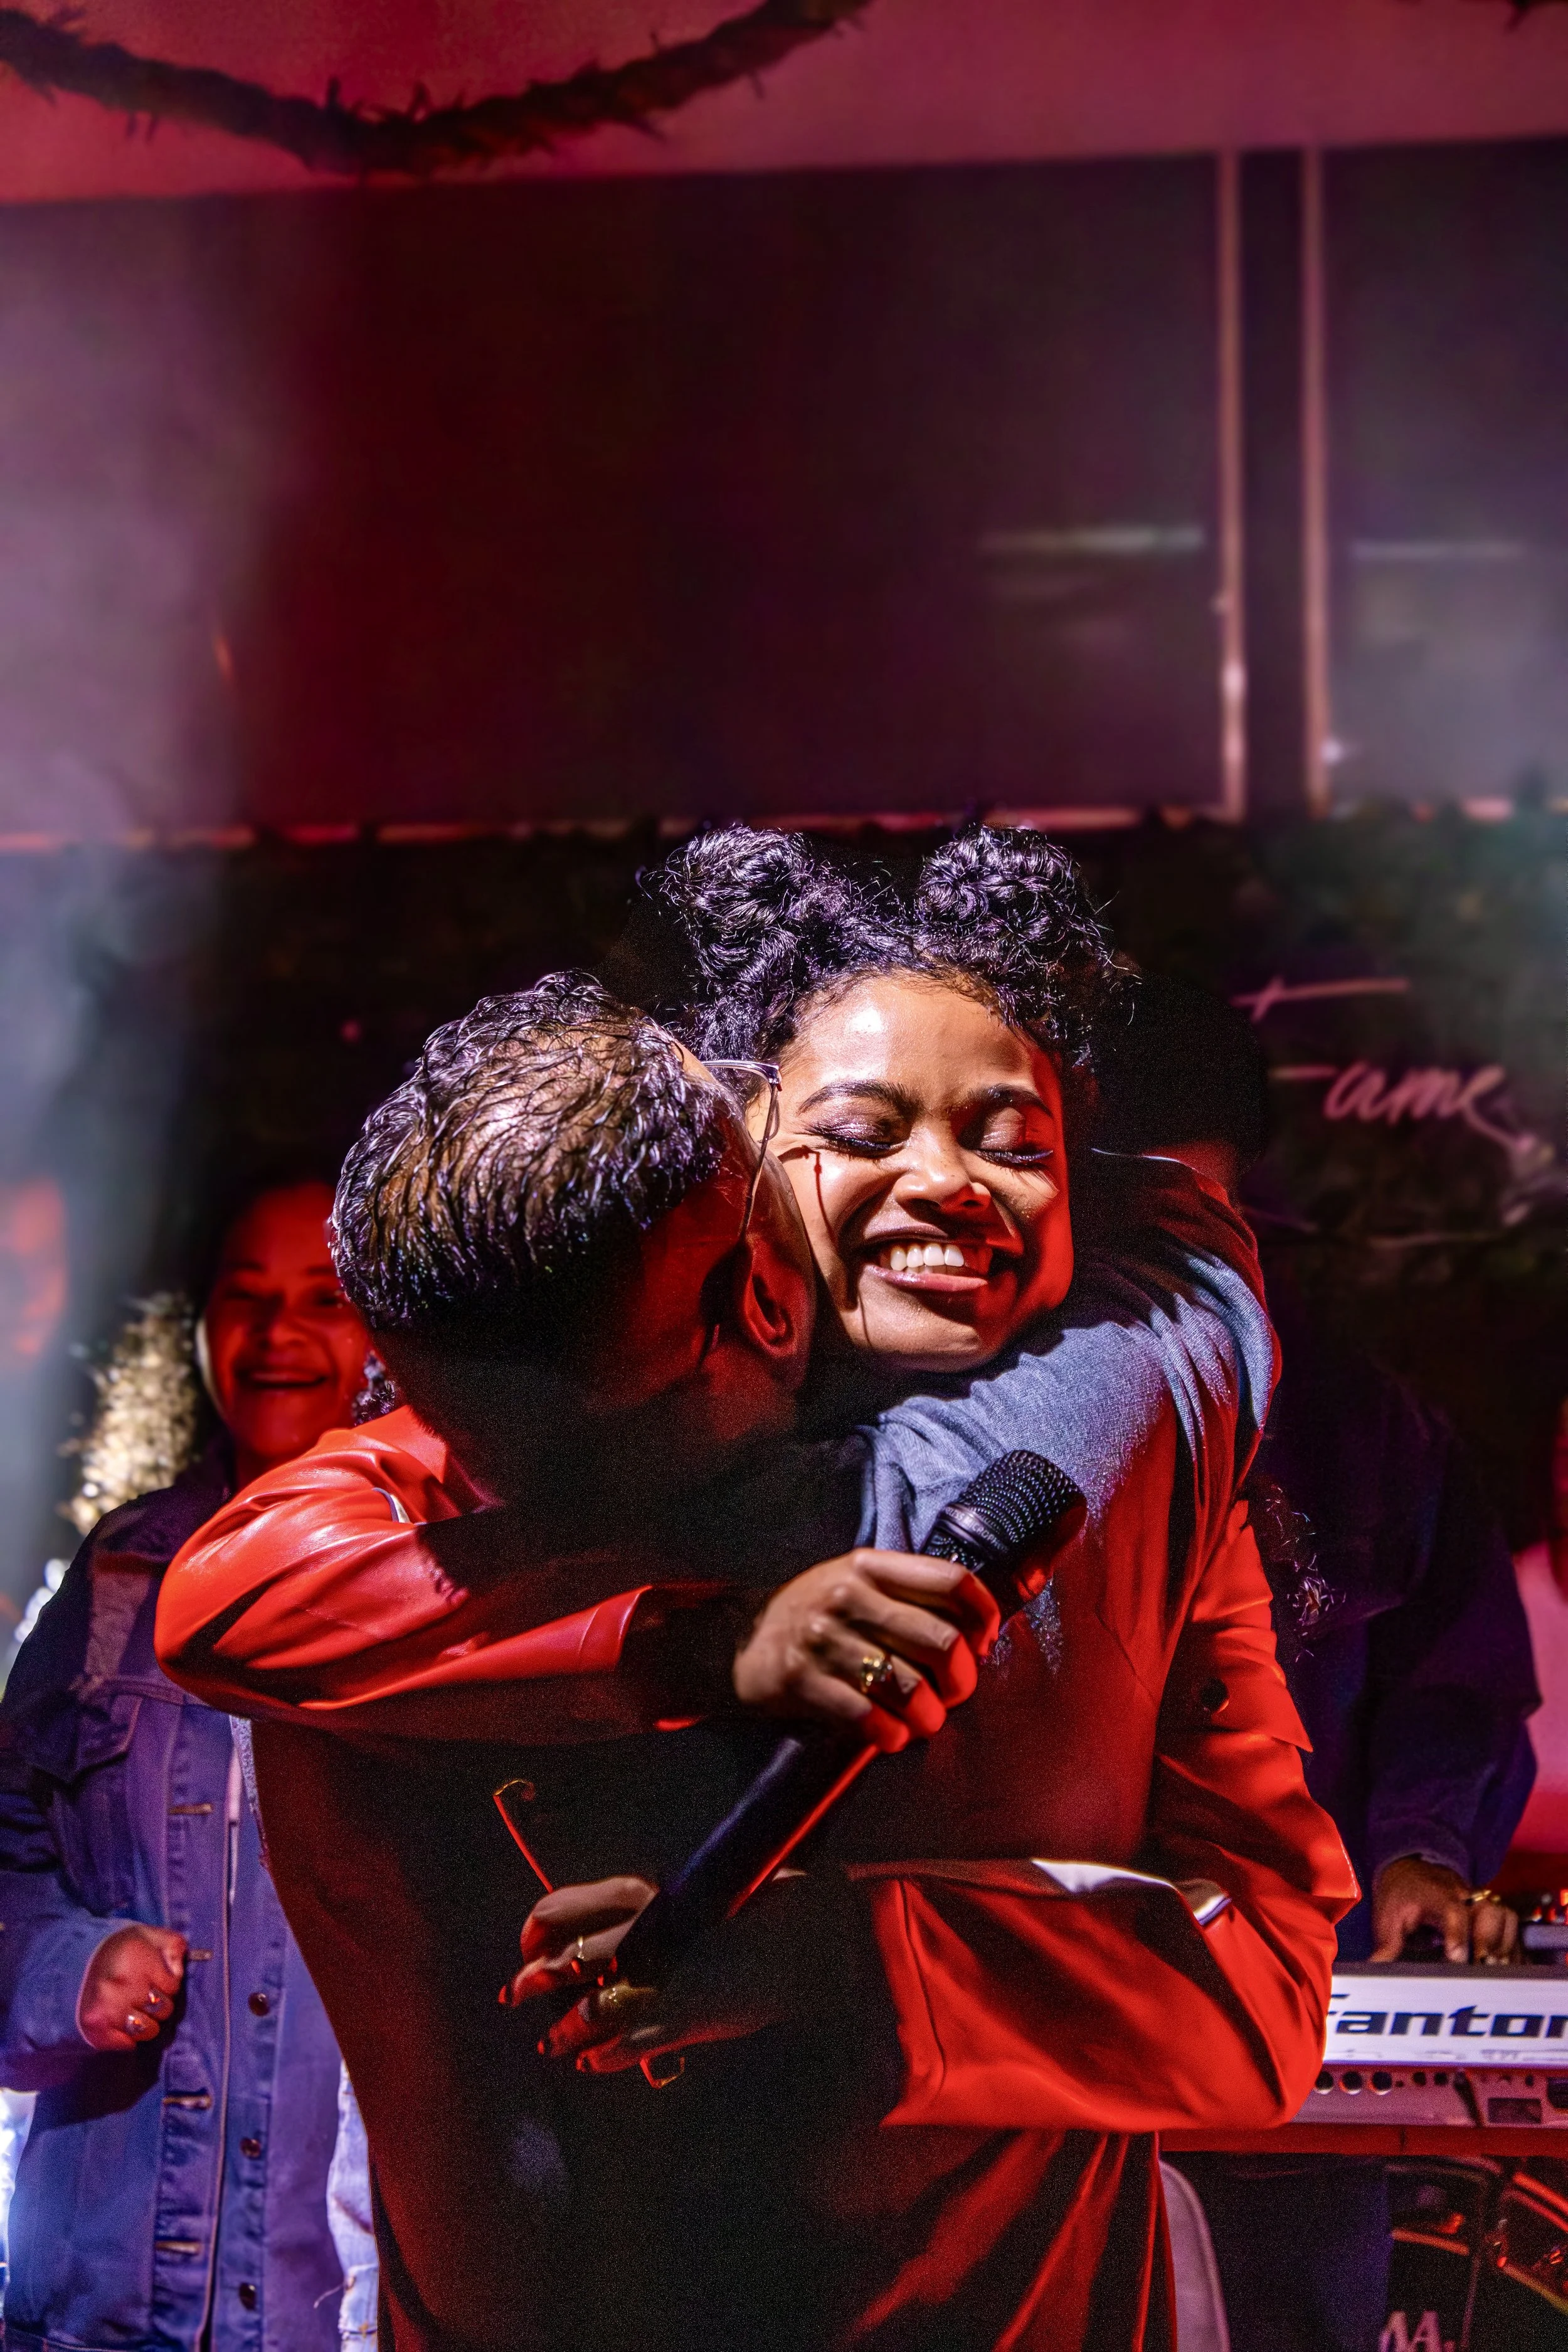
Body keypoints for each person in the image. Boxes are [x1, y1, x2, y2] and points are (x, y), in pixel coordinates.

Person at [158, 847, 1350, 2350]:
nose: (944, 1178)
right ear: (742, 1158)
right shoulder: (465, 1480)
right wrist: (698, 1637)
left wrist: (853, 1961)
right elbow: (224, 1593)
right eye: (856, 1131)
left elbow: (1261, 2005)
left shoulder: (1130, 1479)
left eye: (1011, 1140)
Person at [1094, 976, 1539, 2352]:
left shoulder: (1357, 1423)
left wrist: (1419, 1853)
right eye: (1134, 1225)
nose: (1179, 1271)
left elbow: (1451, 1682)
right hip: (1062, 2045)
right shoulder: (971, 1410)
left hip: (1303, 2034)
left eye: (1205, 1222)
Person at [0, 1180, 373, 2352]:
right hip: (95, 2313)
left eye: (325, 1297)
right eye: (245, 1296)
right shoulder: (119, 1579)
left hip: (334, 2313)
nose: (277, 1333)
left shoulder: (450, 1580)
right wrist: (66, 1967)